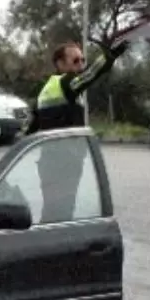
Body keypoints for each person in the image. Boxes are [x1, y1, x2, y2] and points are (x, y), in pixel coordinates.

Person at [27, 38, 130, 222]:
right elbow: (90, 75)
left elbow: (30, 129)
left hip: (53, 162)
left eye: (83, 60)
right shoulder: (65, 84)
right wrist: (110, 56)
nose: (81, 65)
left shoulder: (48, 89)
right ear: (60, 64)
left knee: (56, 211)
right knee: (59, 213)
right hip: (61, 162)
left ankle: (49, 244)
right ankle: (51, 246)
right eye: (75, 61)